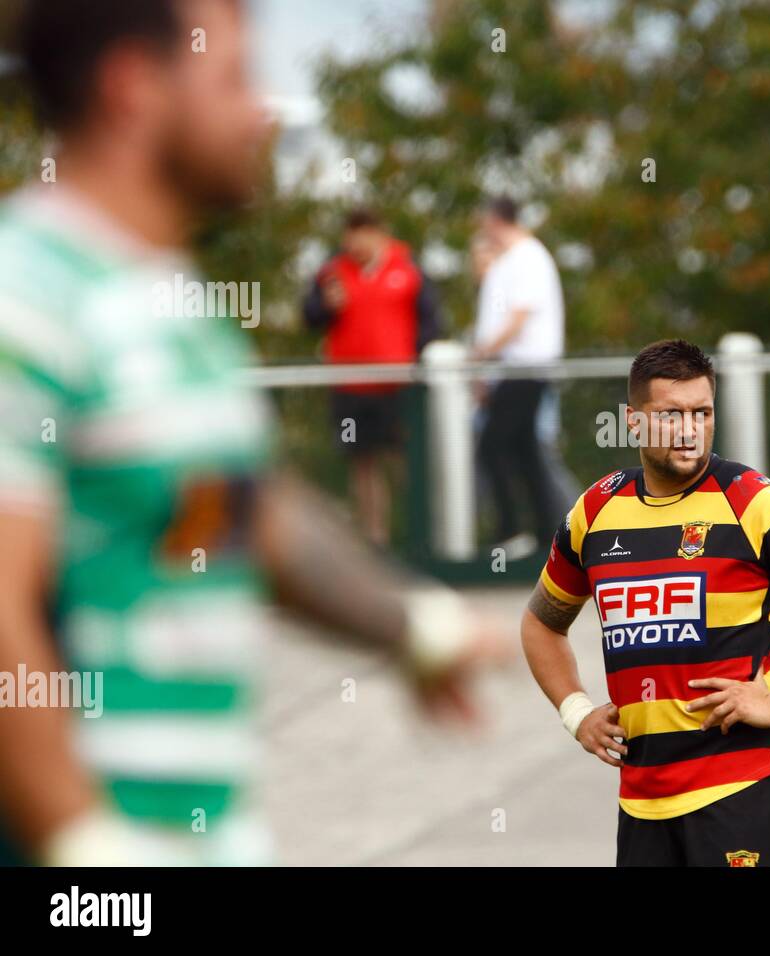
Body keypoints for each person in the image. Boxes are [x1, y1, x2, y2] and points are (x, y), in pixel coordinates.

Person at [0, 0, 502, 867]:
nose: (260, 112)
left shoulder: (175, 312)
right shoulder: (27, 299)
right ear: (132, 88)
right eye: (233, 77)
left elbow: (241, 512)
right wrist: (80, 843)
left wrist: (412, 626)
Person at [520, 339, 770, 866]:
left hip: (737, 791)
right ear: (632, 421)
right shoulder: (596, 510)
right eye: (671, 415)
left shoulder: (753, 502)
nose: (690, 429)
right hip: (642, 802)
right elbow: (541, 624)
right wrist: (576, 712)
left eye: (702, 412)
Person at [303, 207, 442, 546]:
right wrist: (325, 306)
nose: (355, 241)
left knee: (403, 460)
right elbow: (309, 316)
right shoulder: (332, 273)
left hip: (397, 387)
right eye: (351, 232)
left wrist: (409, 357)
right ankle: (373, 539)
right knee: (362, 463)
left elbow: (433, 322)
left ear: (379, 233)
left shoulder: (408, 270)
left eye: (363, 231)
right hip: (350, 387)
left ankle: (420, 539)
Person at [472, 196, 565, 560]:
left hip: (525, 369)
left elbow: (519, 315)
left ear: (494, 219)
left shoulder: (528, 256)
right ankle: (547, 535)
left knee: (493, 446)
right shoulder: (513, 260)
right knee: (525, 452)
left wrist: (481, 355)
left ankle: (511, 530)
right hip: (511, 371)